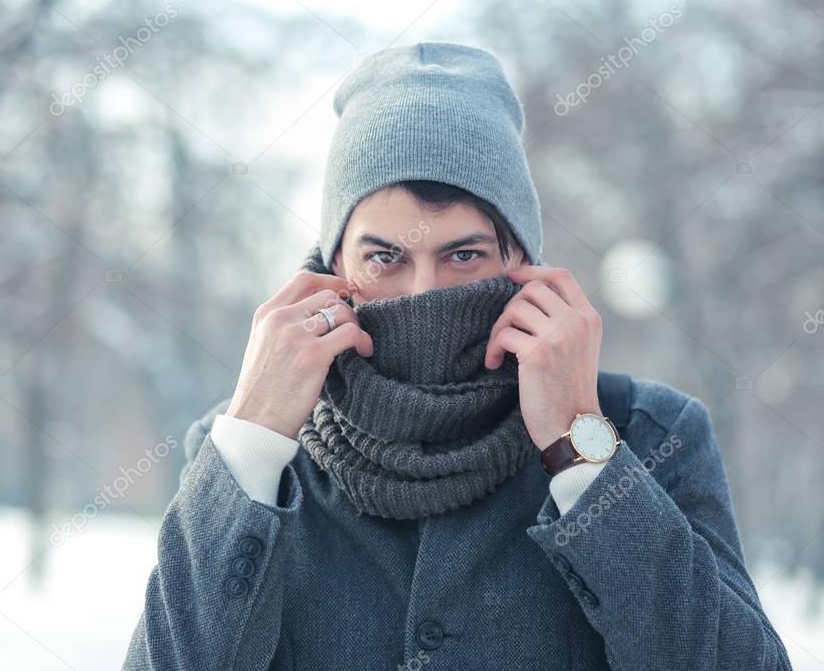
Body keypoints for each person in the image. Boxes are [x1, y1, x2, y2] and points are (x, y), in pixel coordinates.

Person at [122, 41, 792, 670]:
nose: (422, 292)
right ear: (331, 269)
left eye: (463, 255)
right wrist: (252, 438)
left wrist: (576, 447)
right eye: (384, 257)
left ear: (521, 265)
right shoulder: (248, 450)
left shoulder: (645, 430)